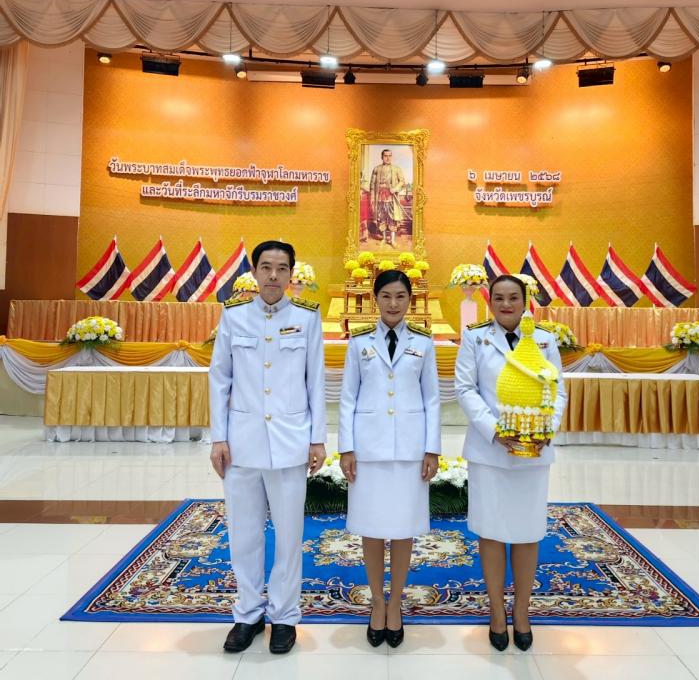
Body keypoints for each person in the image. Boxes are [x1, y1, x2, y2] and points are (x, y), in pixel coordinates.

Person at [209, 239, 326, 655]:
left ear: (291, 274)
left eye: (281, 268)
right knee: (243, 533)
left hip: (290, 442)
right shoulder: (234, 315)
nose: (274, 275)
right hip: (241, 444)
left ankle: (285, 616)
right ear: (254, 272)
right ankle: (247, 613)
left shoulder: (307, 318)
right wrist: (218, 437)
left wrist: (317, 438)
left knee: (290, 536)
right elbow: (219, 378)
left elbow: (315, 379)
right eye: (266, 267)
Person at [455, 274, 567, 652]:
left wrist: (547, 427)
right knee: (490, 530)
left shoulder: (545, 339)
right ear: (490, 302)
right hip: (489, 451)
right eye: (499, 298)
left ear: (525, 301)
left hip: (533, 450)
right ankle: (495, 611)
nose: (506, 304)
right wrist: (495, 430)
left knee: (527, 531)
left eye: (513, 298)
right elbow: (465, 388)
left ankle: (521, 610)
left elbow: (558, 390)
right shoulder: (475, 338)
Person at [339, 269, 441, 648]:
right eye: (386, 296)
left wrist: (432, 448)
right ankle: (376, 602)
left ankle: (395, 601)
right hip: (368, 448)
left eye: (400, 297)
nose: (393, 304)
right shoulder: (358, 342)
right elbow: (347, 397)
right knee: (370, 526)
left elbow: (432, 398)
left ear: (409, 300)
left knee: (402, 527)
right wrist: (346, 448)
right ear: (375, 299)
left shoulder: (423, 343)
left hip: (410, 450)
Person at [369, 148, 407, 247]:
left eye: (390, 156)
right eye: (385, 156)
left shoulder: (397, 169)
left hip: (391, 198)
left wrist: (395, 189)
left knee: (392, 218)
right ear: (382, 157)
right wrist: (372, 197)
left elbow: (402, 182)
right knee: (381, 218)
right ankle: (384, 239)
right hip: (380, 198)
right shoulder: (376, 169)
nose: (388, 158)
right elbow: (372, 185)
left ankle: (392, 240)